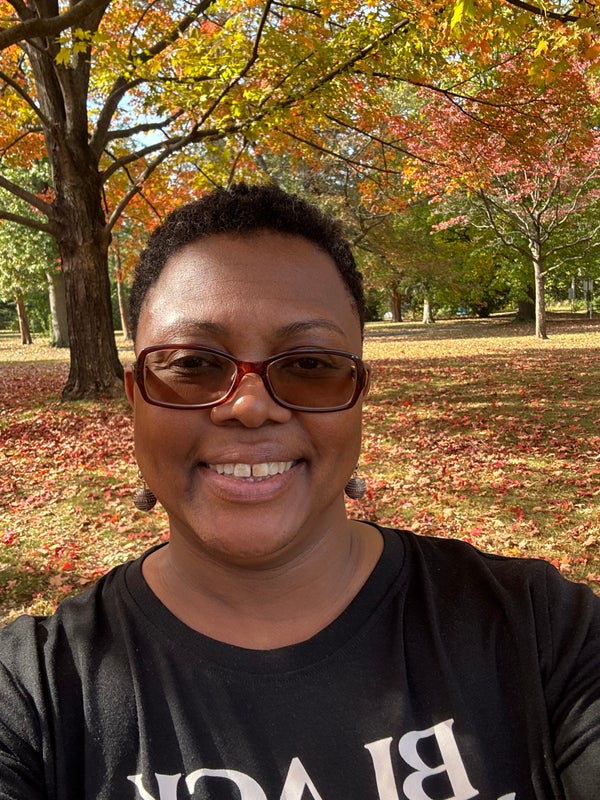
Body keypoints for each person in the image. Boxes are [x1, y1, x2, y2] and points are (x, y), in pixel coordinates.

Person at [1, 183, 599, 800]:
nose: (250, 406)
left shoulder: (541, 630)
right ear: (137, 399)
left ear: (358, 394)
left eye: (310, 364)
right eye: (193, 364)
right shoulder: (34, 693)